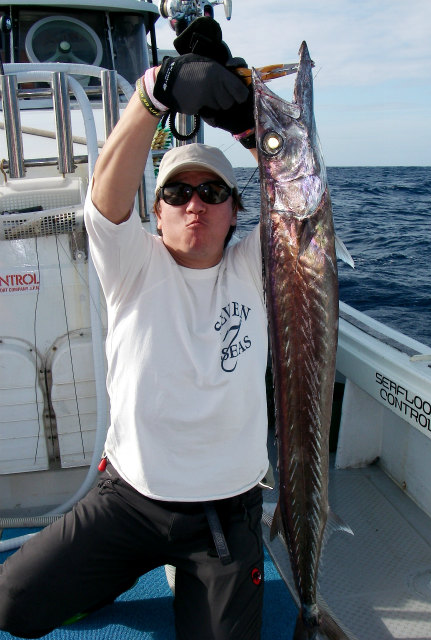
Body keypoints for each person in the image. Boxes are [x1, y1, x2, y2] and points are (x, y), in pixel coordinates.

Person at [0, 47, 269, 640]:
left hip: (224, 515)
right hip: (129, 500)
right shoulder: (132, 262)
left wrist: (258, 131)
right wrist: (155, 91)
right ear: (156, 210)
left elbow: (303, 199)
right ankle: (110, 573)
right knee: (12, 605)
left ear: (235, 211)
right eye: (177, 194)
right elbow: (106, 190)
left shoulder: (258, 267)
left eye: (212, 192)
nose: (194, 204)